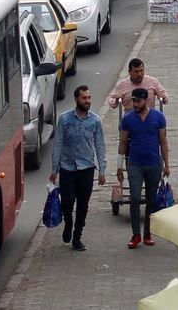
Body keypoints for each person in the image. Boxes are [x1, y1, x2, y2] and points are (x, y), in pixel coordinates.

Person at [50, 85, 105, 251]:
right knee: (67, 201)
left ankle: (77, 236)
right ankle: (68, 222)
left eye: (89, 98)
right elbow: (58, 143)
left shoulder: (94, 120)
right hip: (67, 168)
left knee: (83, 204)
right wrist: (54, 169)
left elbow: (100, 145)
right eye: (84, 98)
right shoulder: (65, 119)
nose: (87, 101)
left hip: (87, 168)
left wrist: (102, 170)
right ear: (76, 99)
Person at [117, 87, 169, 248]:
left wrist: (166, 164)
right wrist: (119, 166)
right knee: (134, 197)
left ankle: (147, 233)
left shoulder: (158, 117)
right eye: (133, 101)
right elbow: (123, 142)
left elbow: (163, 141)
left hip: (153, 163)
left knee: (151, 200)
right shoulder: (127, 119)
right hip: (135, 164)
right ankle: (135, 234)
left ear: (145, 100)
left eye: (138, 101)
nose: (135, 104)